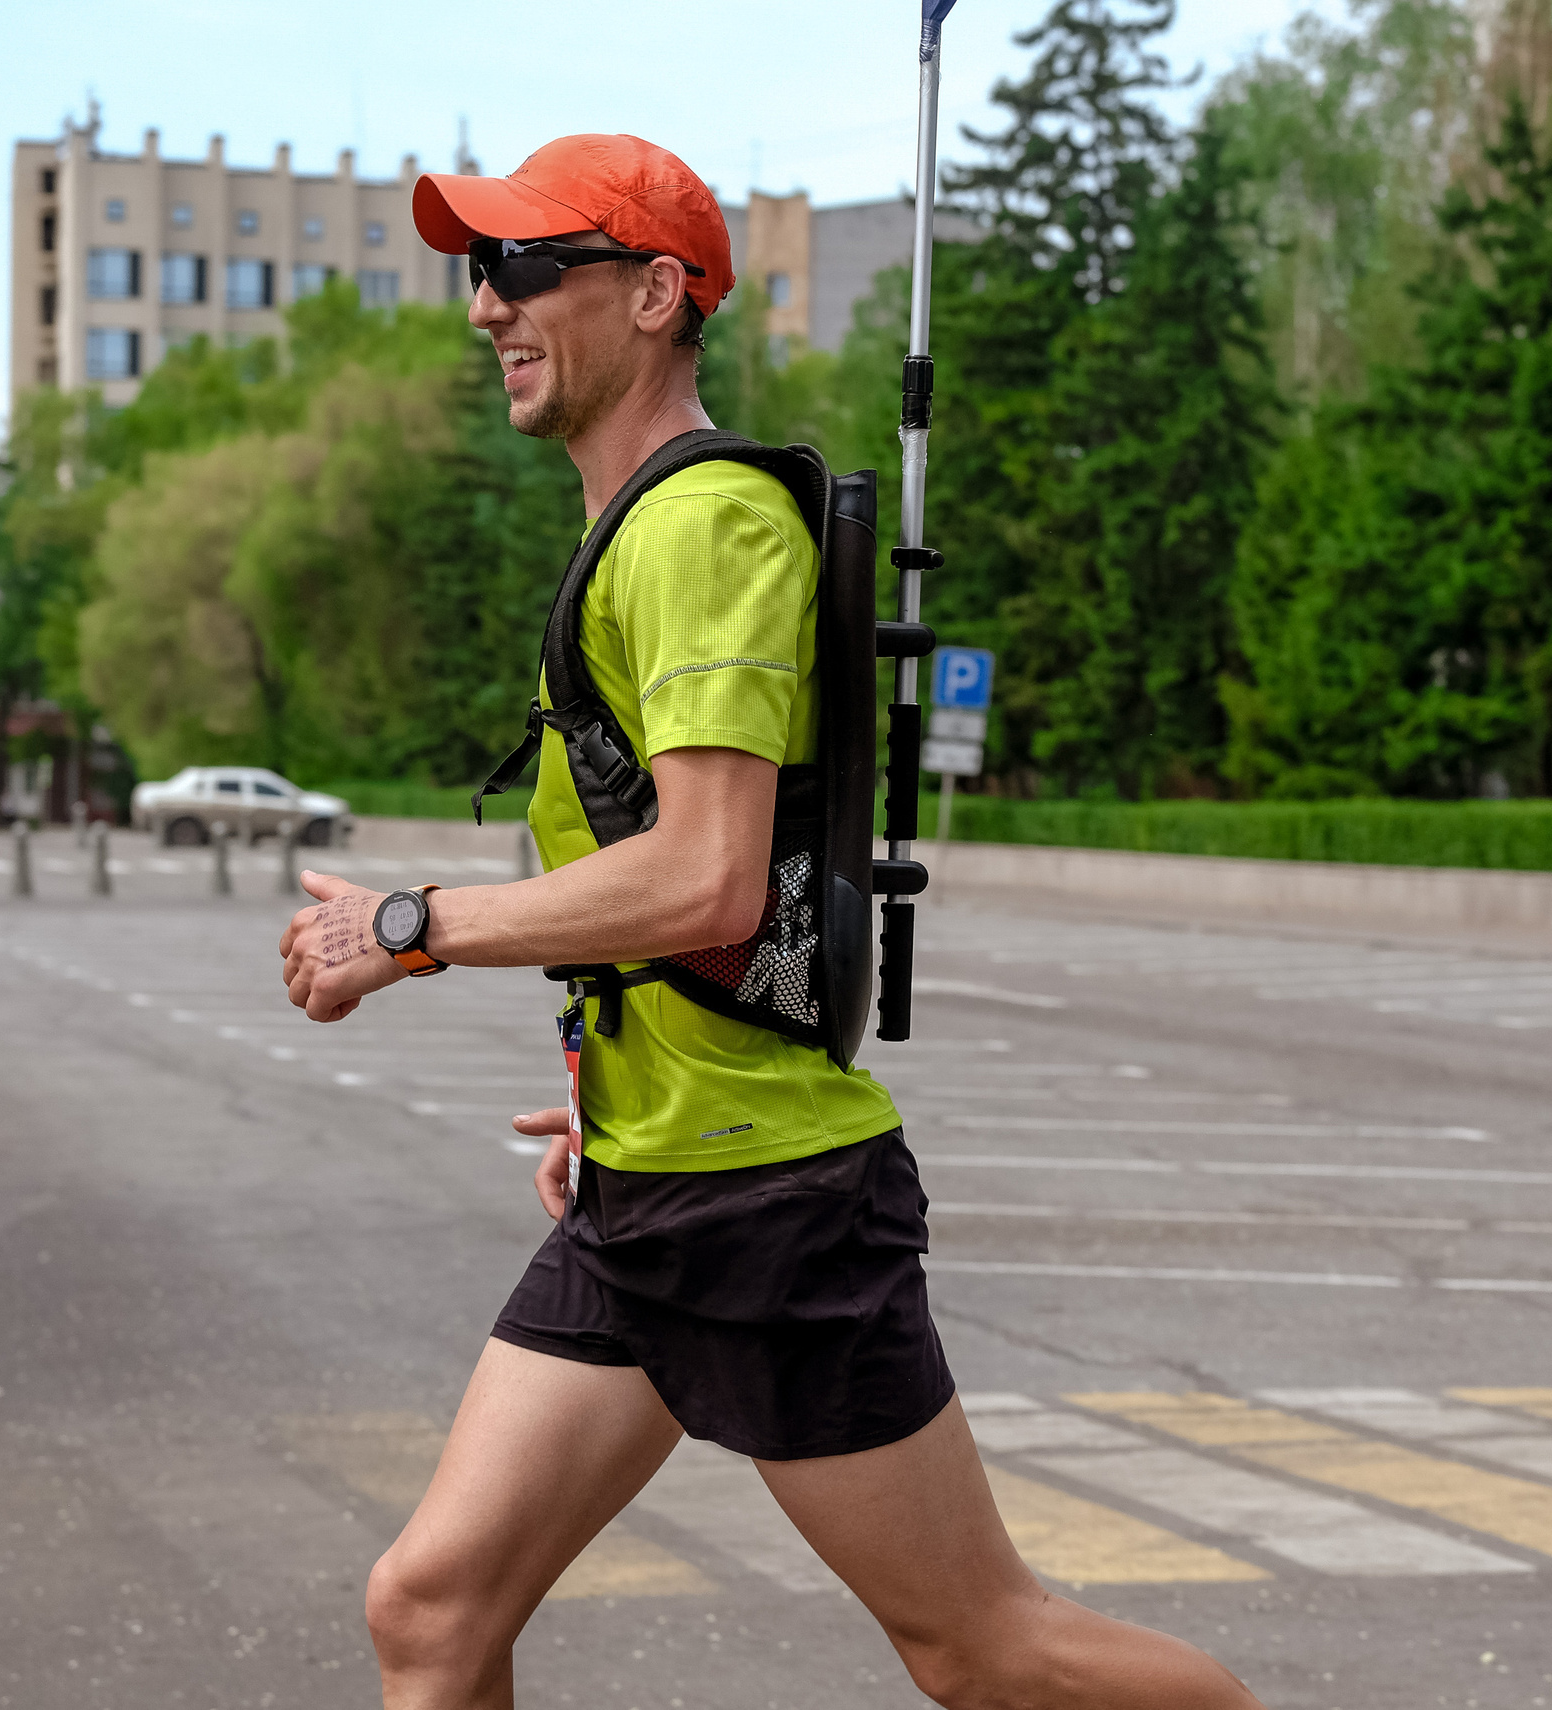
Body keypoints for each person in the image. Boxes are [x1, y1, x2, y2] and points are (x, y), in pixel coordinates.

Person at [277, 133, 1263, 1710]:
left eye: (526, 267)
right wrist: (608, 1076)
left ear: (660, 293)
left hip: (769, 1207)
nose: (486, 306)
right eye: (478, 270)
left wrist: (411, 924)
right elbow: (656, 888)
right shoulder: (637, 532)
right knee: (433, 1606)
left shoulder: (704, 527)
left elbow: (707, 877)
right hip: (647, 1181)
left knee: (985, 1651)